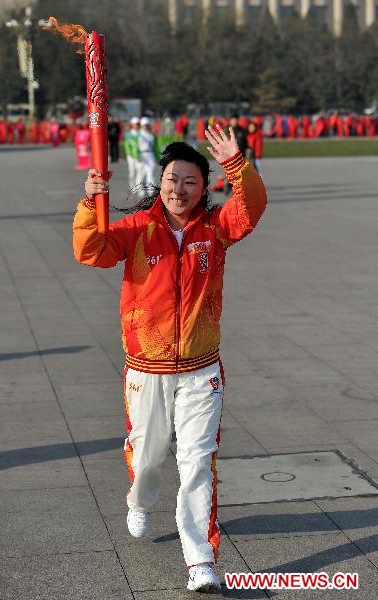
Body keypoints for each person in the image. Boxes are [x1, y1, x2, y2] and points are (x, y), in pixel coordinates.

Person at [72, 125, 267, 593]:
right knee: (150, 456)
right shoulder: (138, 229)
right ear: (159, 185)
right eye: (171, 181)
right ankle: (139, 501)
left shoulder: (216, 229)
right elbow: (90, 251)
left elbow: (252, 207)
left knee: (198, 461)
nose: (178, 189)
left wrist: (238, 164)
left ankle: (199, 557)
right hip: (147, 369)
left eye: (189, 182)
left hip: (202, 369)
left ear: (204, 188)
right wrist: (88, 205)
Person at [124, 117, 144, 189]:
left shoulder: (141, 133)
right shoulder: (128, 134)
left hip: (139, 155)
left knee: (140, 170)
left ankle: (137, 185)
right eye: (136, 124)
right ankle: (132, 186)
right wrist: (129, 153)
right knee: (132, 171)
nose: (137, 125)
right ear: (132, 124)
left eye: (138, 124)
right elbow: (126, 145)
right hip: (131, 156)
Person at [138, 116, 157, 188]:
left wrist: (157, 157)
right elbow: (135, 147)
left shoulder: (151, 135)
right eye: (144, 125)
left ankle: (151, 189)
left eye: (147, 125)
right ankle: (139, 189)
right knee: (142, 173)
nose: (146, 126)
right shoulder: (138, 134)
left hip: (150, 154)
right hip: (142, 154)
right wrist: (137, 156)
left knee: (151, 171)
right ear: (141, 125)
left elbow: (155, 146)